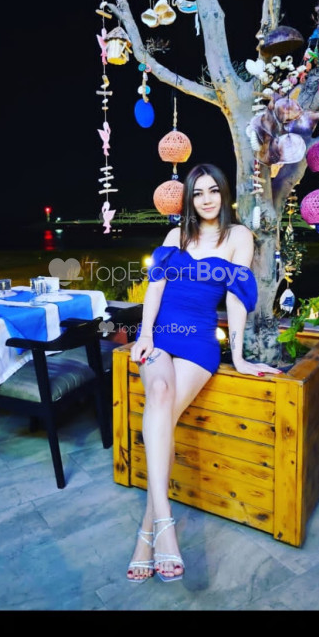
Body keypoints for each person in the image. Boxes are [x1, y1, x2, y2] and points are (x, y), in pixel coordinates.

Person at [127, 163, 281, 584]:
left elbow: (236, 299)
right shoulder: (175, 237)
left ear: (224, 194)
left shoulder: (239, 237)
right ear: (189, 200)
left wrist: (239, 356)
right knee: (160, 394)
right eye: (198, 193)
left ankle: (149, 531)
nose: (207, 199)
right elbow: (155, 288)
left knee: (162, 419)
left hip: (198, 341)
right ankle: (162, 526)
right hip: (161, 335)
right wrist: (145, 335)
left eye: (213, 191)